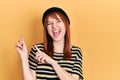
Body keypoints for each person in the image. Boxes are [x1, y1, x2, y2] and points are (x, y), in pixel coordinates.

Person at [16, 7, 83, 80]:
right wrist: (24, 57)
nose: (54, 26)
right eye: (49, 23)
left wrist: (53, 62)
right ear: (46, 29)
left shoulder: (76, 52)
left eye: (58, 21)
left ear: (66, 24)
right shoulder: (37, 50)